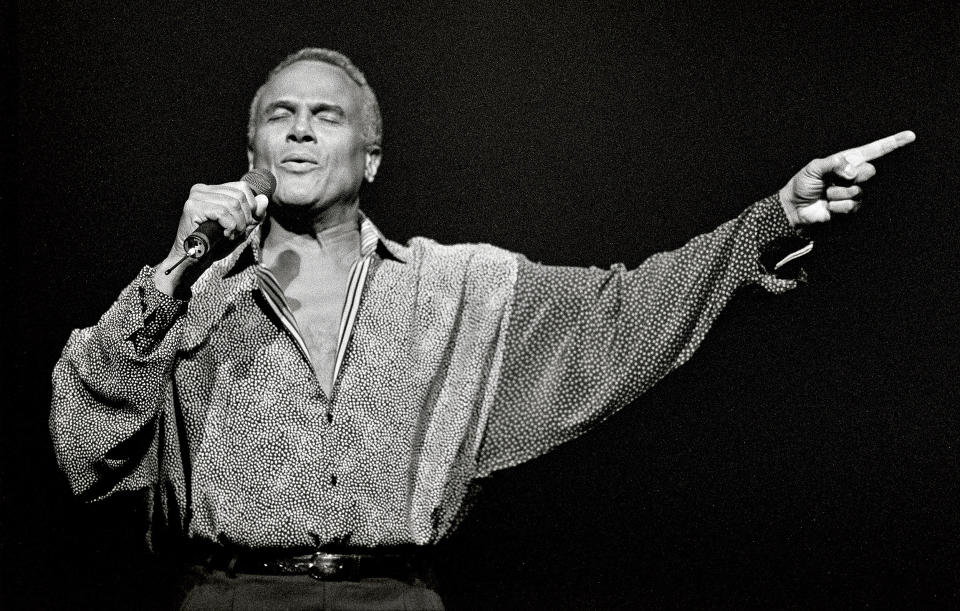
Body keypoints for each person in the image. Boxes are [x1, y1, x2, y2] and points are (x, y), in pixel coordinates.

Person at [49, 47, 915, 610]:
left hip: (396, 597)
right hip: (226, 597)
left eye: (329, 114)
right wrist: (171, 269)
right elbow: (82, 447)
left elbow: (625, 313)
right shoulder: (188, 296)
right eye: (281, 116)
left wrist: (770, 219)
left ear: (371, 158)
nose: (303, 126)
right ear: (253, 159)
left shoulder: (459, 287)